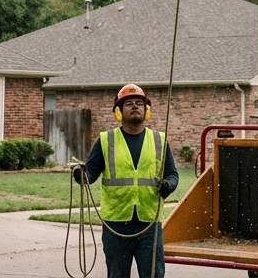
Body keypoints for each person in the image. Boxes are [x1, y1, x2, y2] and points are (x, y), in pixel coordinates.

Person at [73, 84, 179, 278]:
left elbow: (172, 174)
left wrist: (169, 185)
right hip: (116, 224)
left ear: (146, 110)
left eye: (139, 103)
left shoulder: (159, 140)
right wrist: (82, 176)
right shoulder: (106, 140)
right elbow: (91, 174)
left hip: (149, 223)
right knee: (117, 275)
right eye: (128, 103)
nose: (135, 106)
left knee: (154, 275)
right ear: (119, 111)